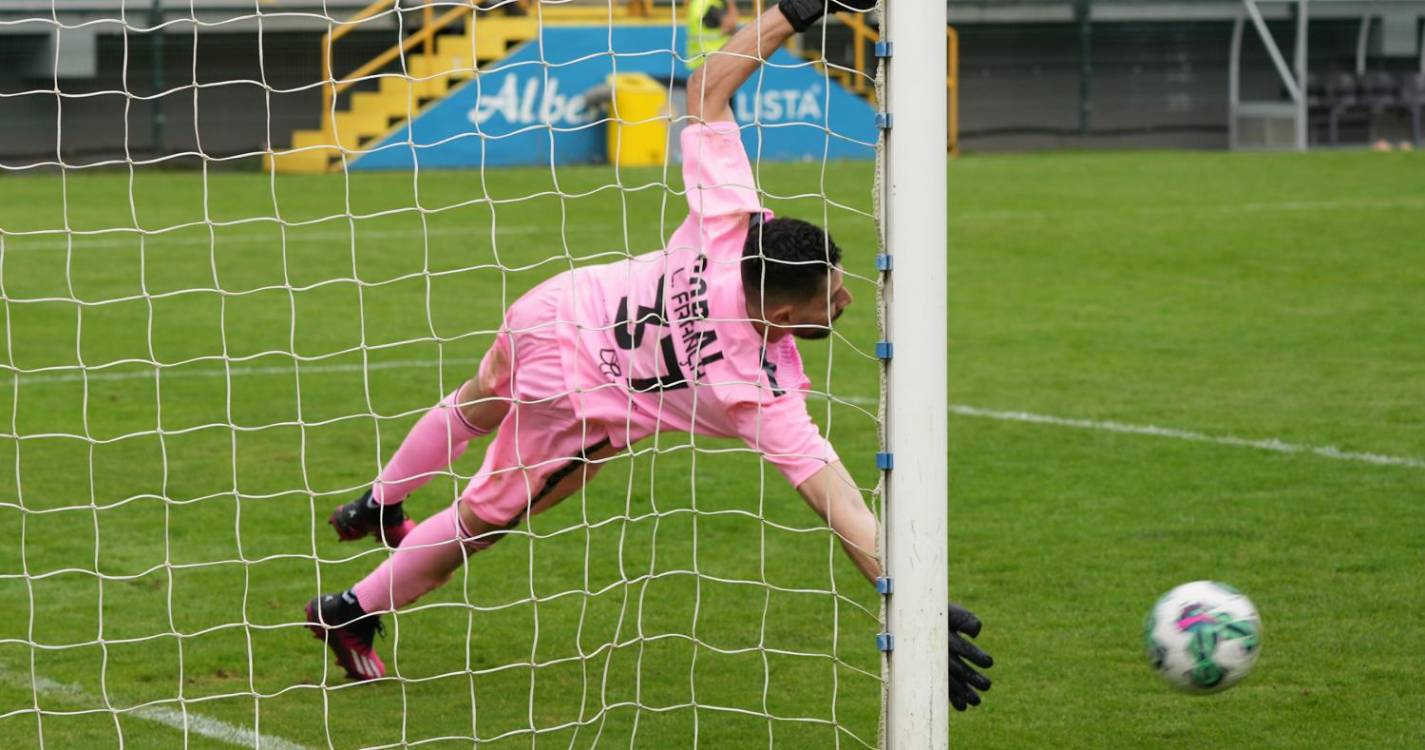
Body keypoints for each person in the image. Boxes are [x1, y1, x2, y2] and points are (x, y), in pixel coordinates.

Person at [306, 0, 993, 712]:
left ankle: (380, 499)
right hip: (574, 394)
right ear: (784, 317)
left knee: (480, 397)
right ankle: (350, 609)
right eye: (832, 299)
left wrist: (793, 10)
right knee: (484, 520)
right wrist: (914, 613)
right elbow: (842, 504)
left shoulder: (731, 222)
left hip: (556, 306)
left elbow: (705, 90)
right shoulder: (751, 390)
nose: (846, 302)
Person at [686, 0, 739, 70]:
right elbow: (729, 25)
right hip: (711, 62)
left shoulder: (697, 3)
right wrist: (731, 4)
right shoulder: (708, 5)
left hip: (702, 62)